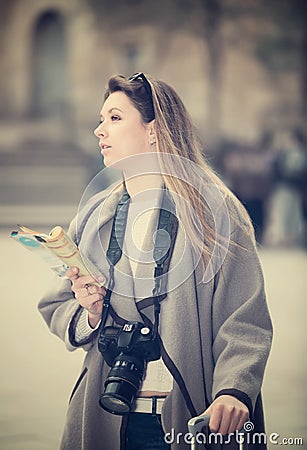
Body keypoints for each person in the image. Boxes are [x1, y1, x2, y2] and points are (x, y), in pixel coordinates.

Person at [38, 73, 273, 450]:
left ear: (153, 129)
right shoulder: (95, 214)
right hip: (106, 418)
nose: (99, 130)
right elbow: (56, 303)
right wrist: (90, 312)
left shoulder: (215, 211)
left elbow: (244, 317)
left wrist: (235, 392)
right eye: (101, 120)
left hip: (195, 420)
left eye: (114, 118)